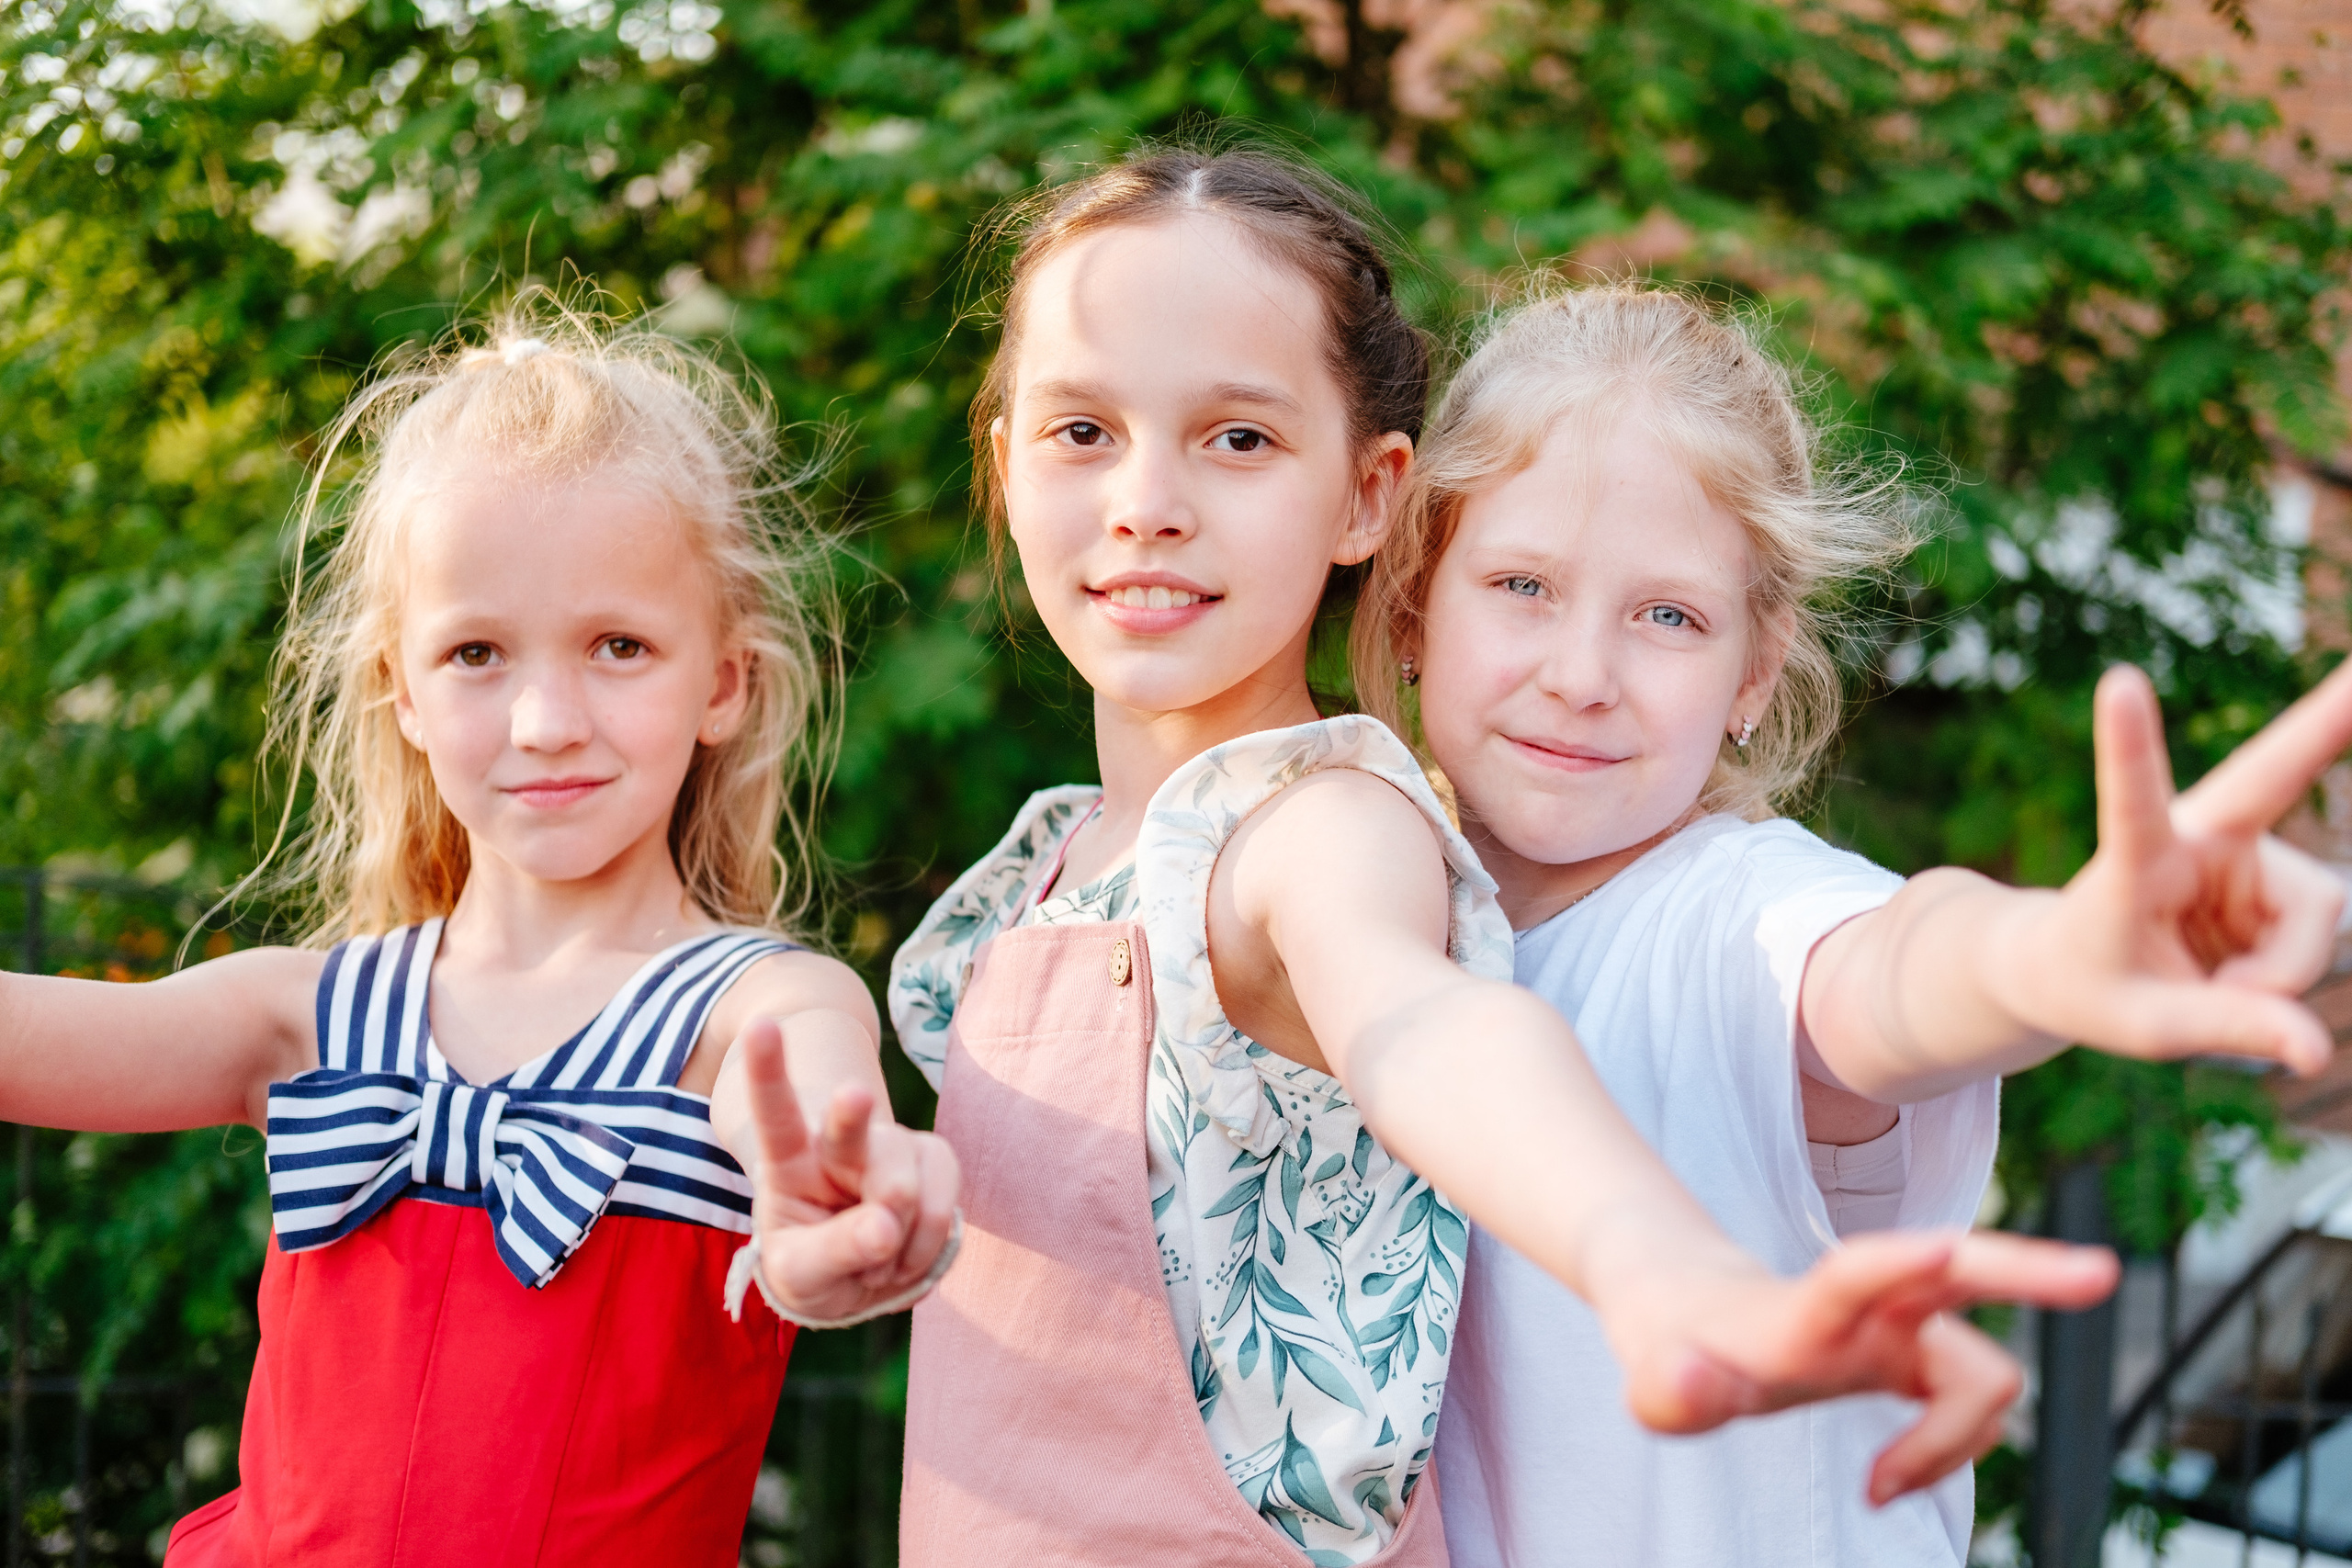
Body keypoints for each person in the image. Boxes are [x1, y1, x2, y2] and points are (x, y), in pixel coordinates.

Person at [884, 150, 2113, 1568]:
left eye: (1238, 438)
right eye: (1082, 428)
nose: (1149, 497)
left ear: (1370, 505)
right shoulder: (1050, 860)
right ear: (1420, 596)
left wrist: (2059, 953)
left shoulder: (1347, 839)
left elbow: (1444, 1024)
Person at [1351, 280, 2352, 1565]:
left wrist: (2052, 955)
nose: (1582, 675)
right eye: (1524, 585)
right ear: (1420, 597)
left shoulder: (1735, 913)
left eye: (1670, 616)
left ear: (1754, 674)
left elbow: (1892, 973)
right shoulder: (1369, 922)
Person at [0, 305, 959, 1566]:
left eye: (619, 646)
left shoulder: (753, 1006)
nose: (549, 719)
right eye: (477, 653)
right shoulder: (305, 1015)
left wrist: (840, 1204)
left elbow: (819, 1102)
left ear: (723, 680)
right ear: (401, 686)